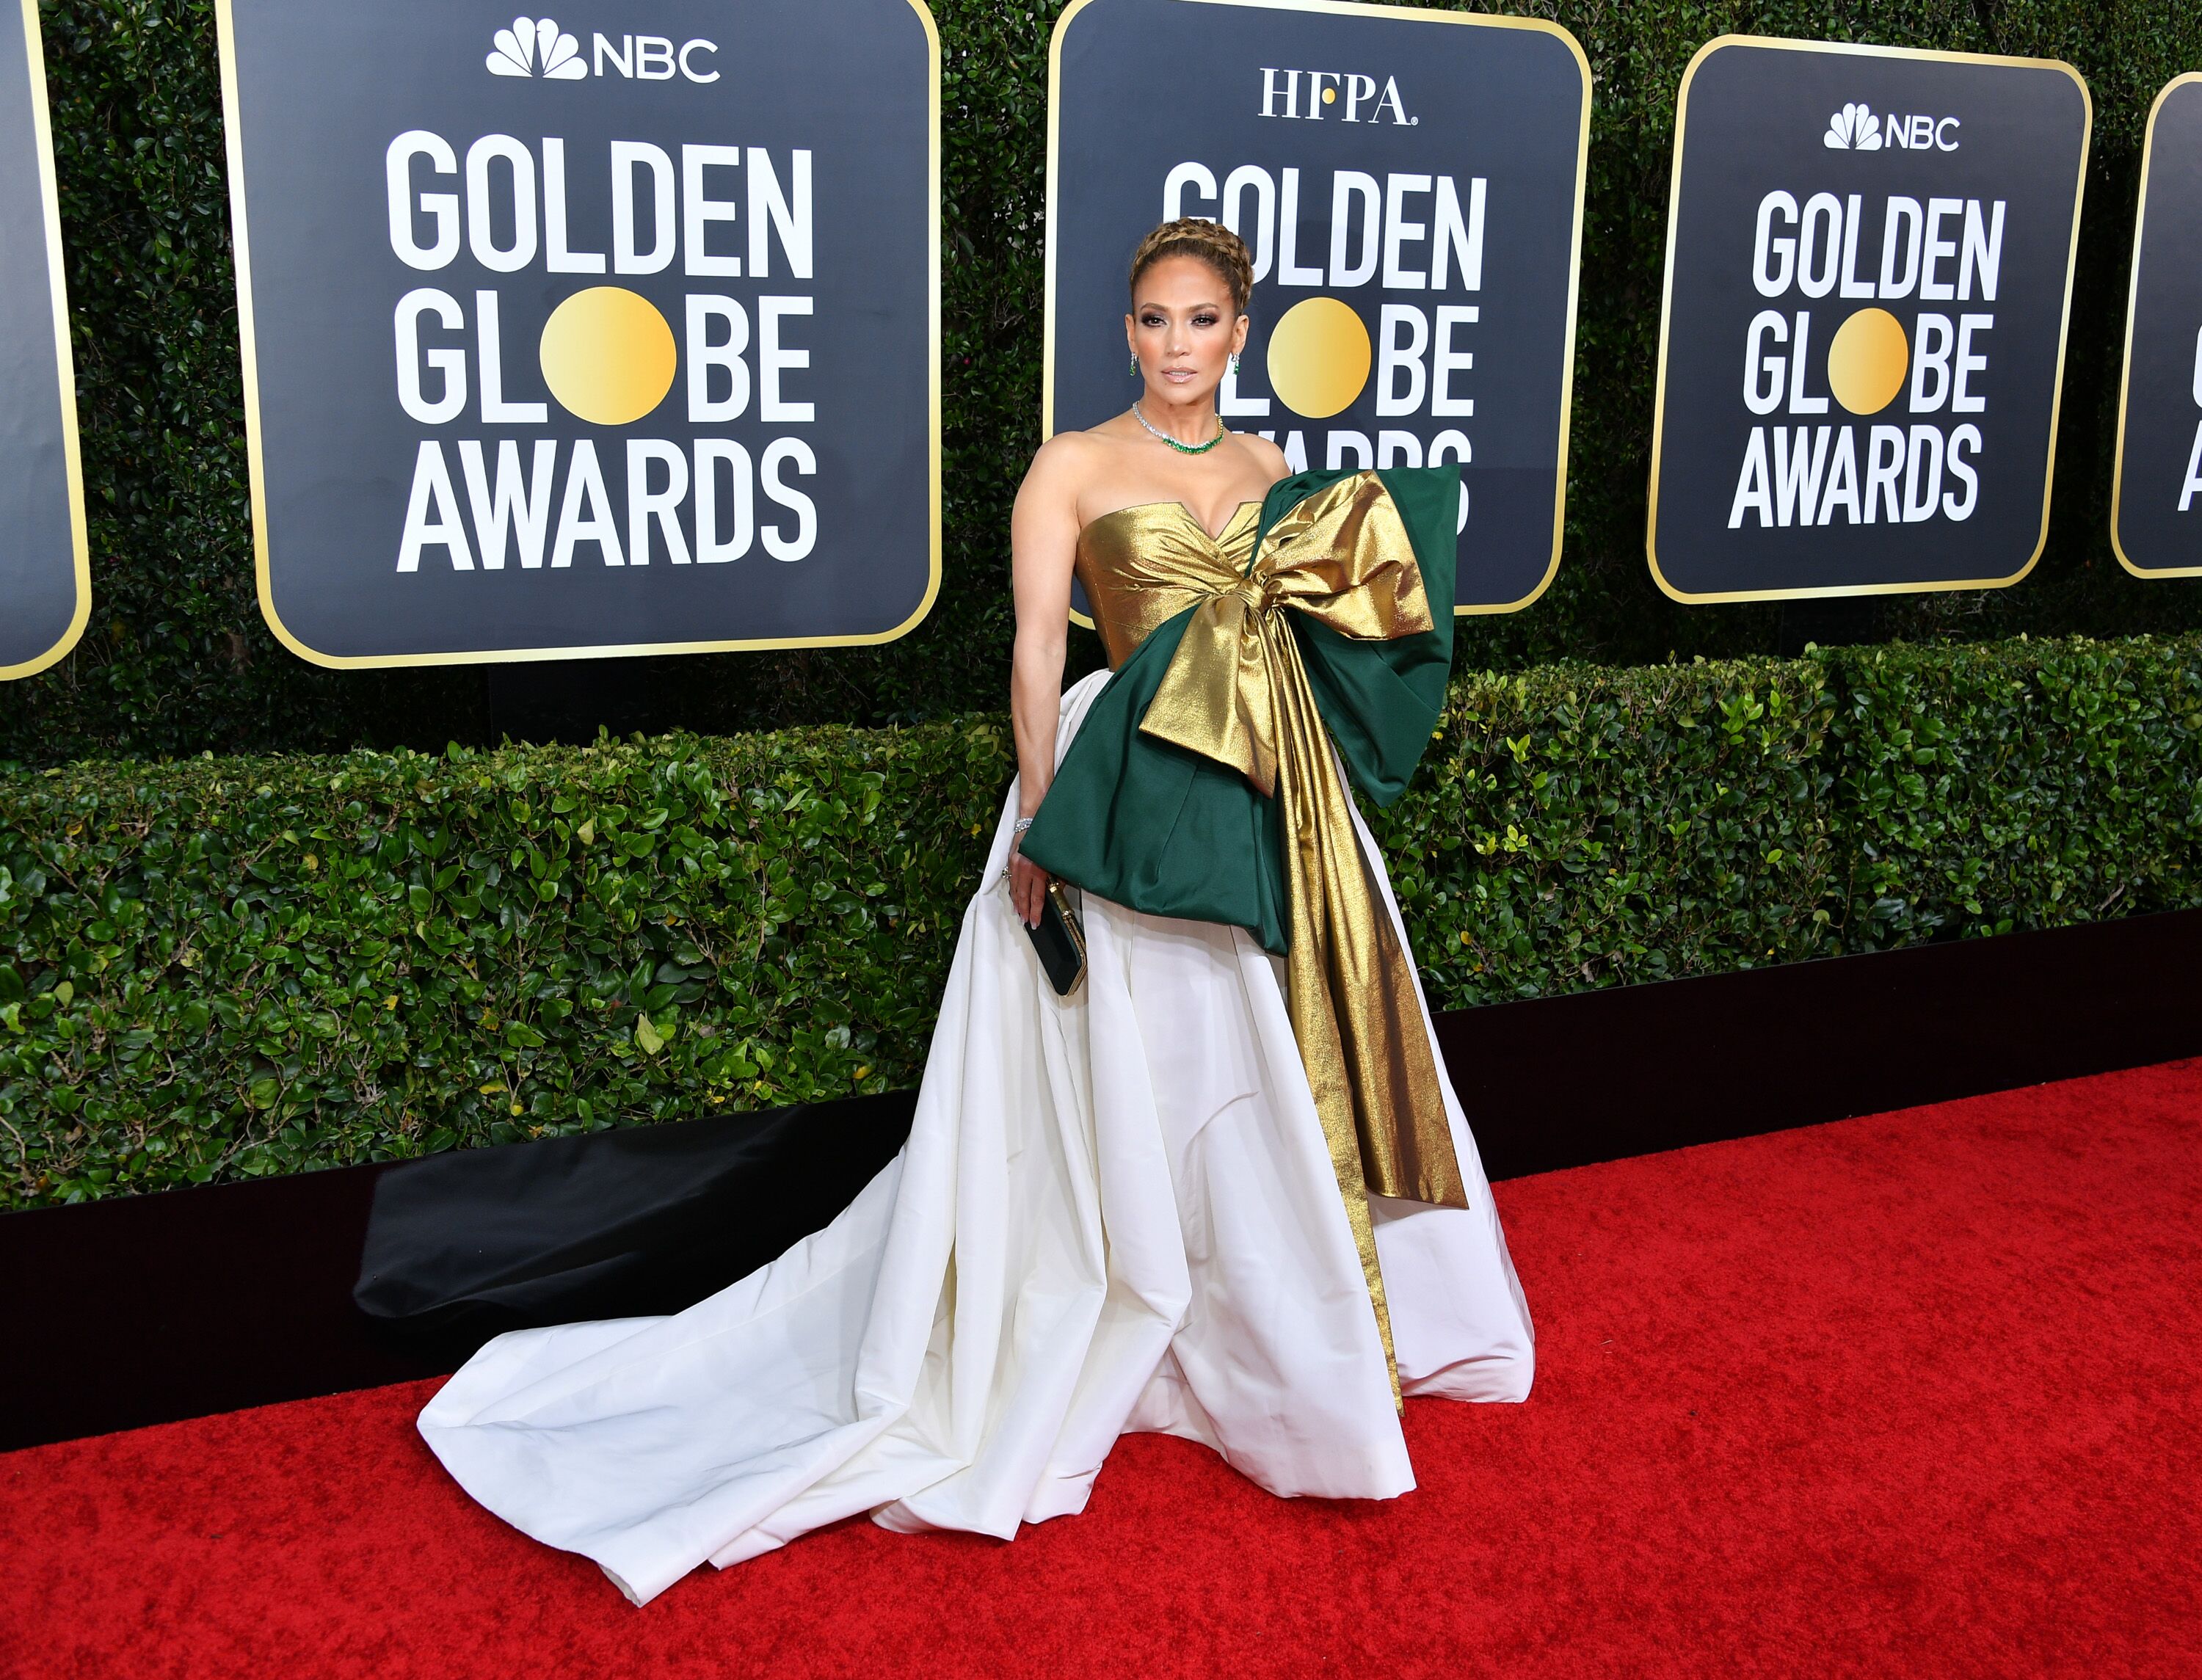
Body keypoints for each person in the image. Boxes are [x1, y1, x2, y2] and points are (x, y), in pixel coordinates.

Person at [418, 219, 1533, 1606]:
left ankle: (1270, 1329)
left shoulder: (1280, 471)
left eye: (1199, 321)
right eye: (1150, 319)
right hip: (1119, 791)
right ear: (1125, 331)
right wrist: (1040, 817)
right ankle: (1139, 1302)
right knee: (1127, 1079)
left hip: (1262, 792)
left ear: (1241, 333)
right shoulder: (1068, 466)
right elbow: (1031, 643)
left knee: (1252, 1073)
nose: (1174, 345)